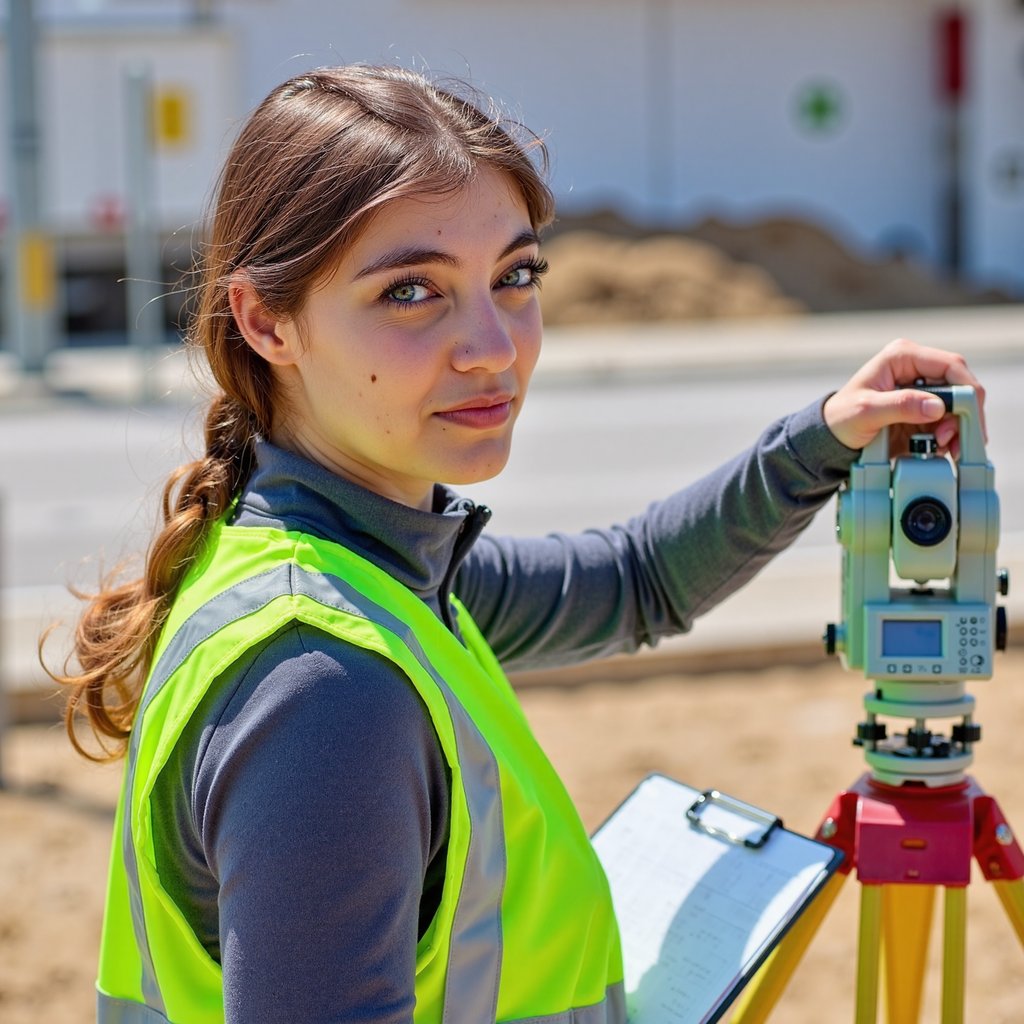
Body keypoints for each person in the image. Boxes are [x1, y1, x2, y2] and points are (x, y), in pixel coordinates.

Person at [51, 65, 985, 1024]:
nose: (493, 346)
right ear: (265, 321)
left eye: (517, 276)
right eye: (411, 291)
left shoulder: (373, 572)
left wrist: (826, 433)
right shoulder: (326, 684)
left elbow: (633, 582)